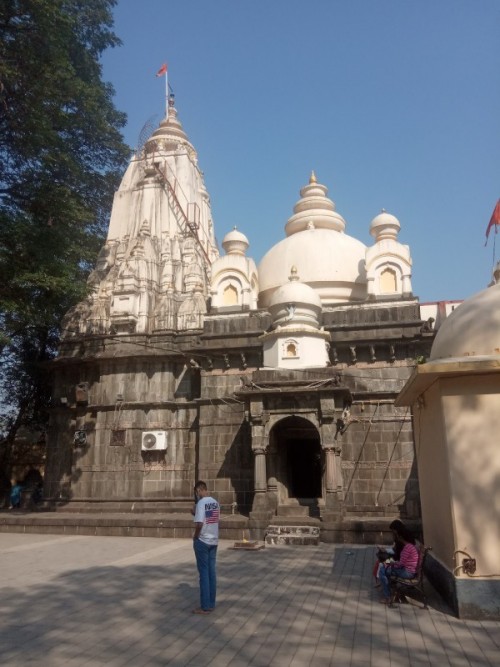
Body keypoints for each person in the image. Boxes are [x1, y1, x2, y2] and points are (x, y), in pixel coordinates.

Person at [192, 480, 220, 615]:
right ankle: (211, 603)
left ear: (198, 491)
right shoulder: (215, 502)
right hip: (213, 540)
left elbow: (199, 524)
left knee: (203, 573)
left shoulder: (201, 503)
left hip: (202, 540)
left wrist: (195, 537)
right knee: (211, 572)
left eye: (196, 493)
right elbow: (210, 518)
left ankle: (204, 606)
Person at [379, 524, 419, 604]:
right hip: (409, 570)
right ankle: (389, 592)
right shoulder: (411, 546)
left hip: (407, 572)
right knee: (384, 567)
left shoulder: (407, 548)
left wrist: (390, 563)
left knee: (382, 570)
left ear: (401, 537)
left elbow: (400, 564)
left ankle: (388, 597)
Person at [373, 519, 411, 585]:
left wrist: (388, 559)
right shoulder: (400, 539)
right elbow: (395, 550)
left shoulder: (403, 542)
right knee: (381, 561)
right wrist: (386, 550)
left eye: (393, 530)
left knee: (382, 563)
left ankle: (384, 583)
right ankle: (382, 581)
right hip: (398, 560)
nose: (393, 532)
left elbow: (398, 558)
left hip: (398, 561)